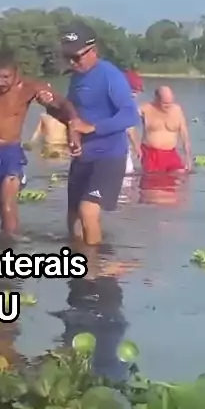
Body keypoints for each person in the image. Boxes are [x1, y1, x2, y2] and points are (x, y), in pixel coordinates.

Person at [0, 47, 79, 235]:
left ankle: (9, 248)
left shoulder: (30, 87)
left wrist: (69, 122)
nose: (0, 82)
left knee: (8, 207)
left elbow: (63, 105)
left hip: (9, 153)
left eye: (6, 77)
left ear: (16, 72)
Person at [61, 21, 140, 245]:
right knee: (73, 218)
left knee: (88, 211)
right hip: (83, 156)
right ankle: (78, 261)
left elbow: (130, 115)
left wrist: (93, 127)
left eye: (76, 57)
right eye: (67, 57)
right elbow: (73, 113)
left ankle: (94, 262)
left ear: (93, 50)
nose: (72, 62)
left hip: (109, 156)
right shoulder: (76, 77)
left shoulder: (110, 75)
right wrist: (73, 135)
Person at [139, 86, 191, 174]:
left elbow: (184, 134)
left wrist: (187, 157)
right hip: (151, 153)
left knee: (181, 174)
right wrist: (135, 146)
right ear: (156, 99)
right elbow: (127, 122)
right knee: (154, 179)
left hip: (171, 153)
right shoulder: (145, 108)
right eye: (165, 103)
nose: (168, 106)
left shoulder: (177, 110)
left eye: (170, 102)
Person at [124, 70, 144, 175]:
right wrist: (137, 147)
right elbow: (130, 128)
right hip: (118, 150)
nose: (136, 95)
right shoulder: (126, 104)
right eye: (134, 91)